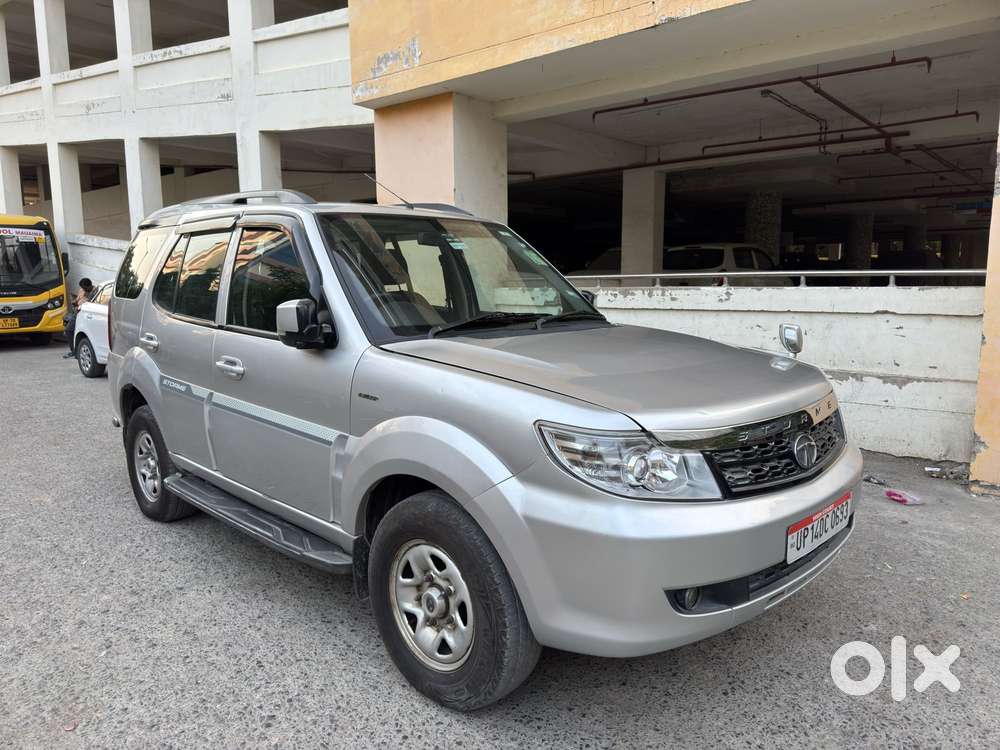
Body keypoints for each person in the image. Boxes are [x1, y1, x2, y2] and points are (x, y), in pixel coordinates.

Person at [63, 277, 94, 358]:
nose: (83, 289)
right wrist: (75, 302)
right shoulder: (82, 290)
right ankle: (74, 351)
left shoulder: (94, 292)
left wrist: (85, 298)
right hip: (77, 313)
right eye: (82, 288)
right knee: (69, 330)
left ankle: (80, 352)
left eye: (84, 288)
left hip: (87, 314)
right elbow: (77, 300)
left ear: (89, 286)